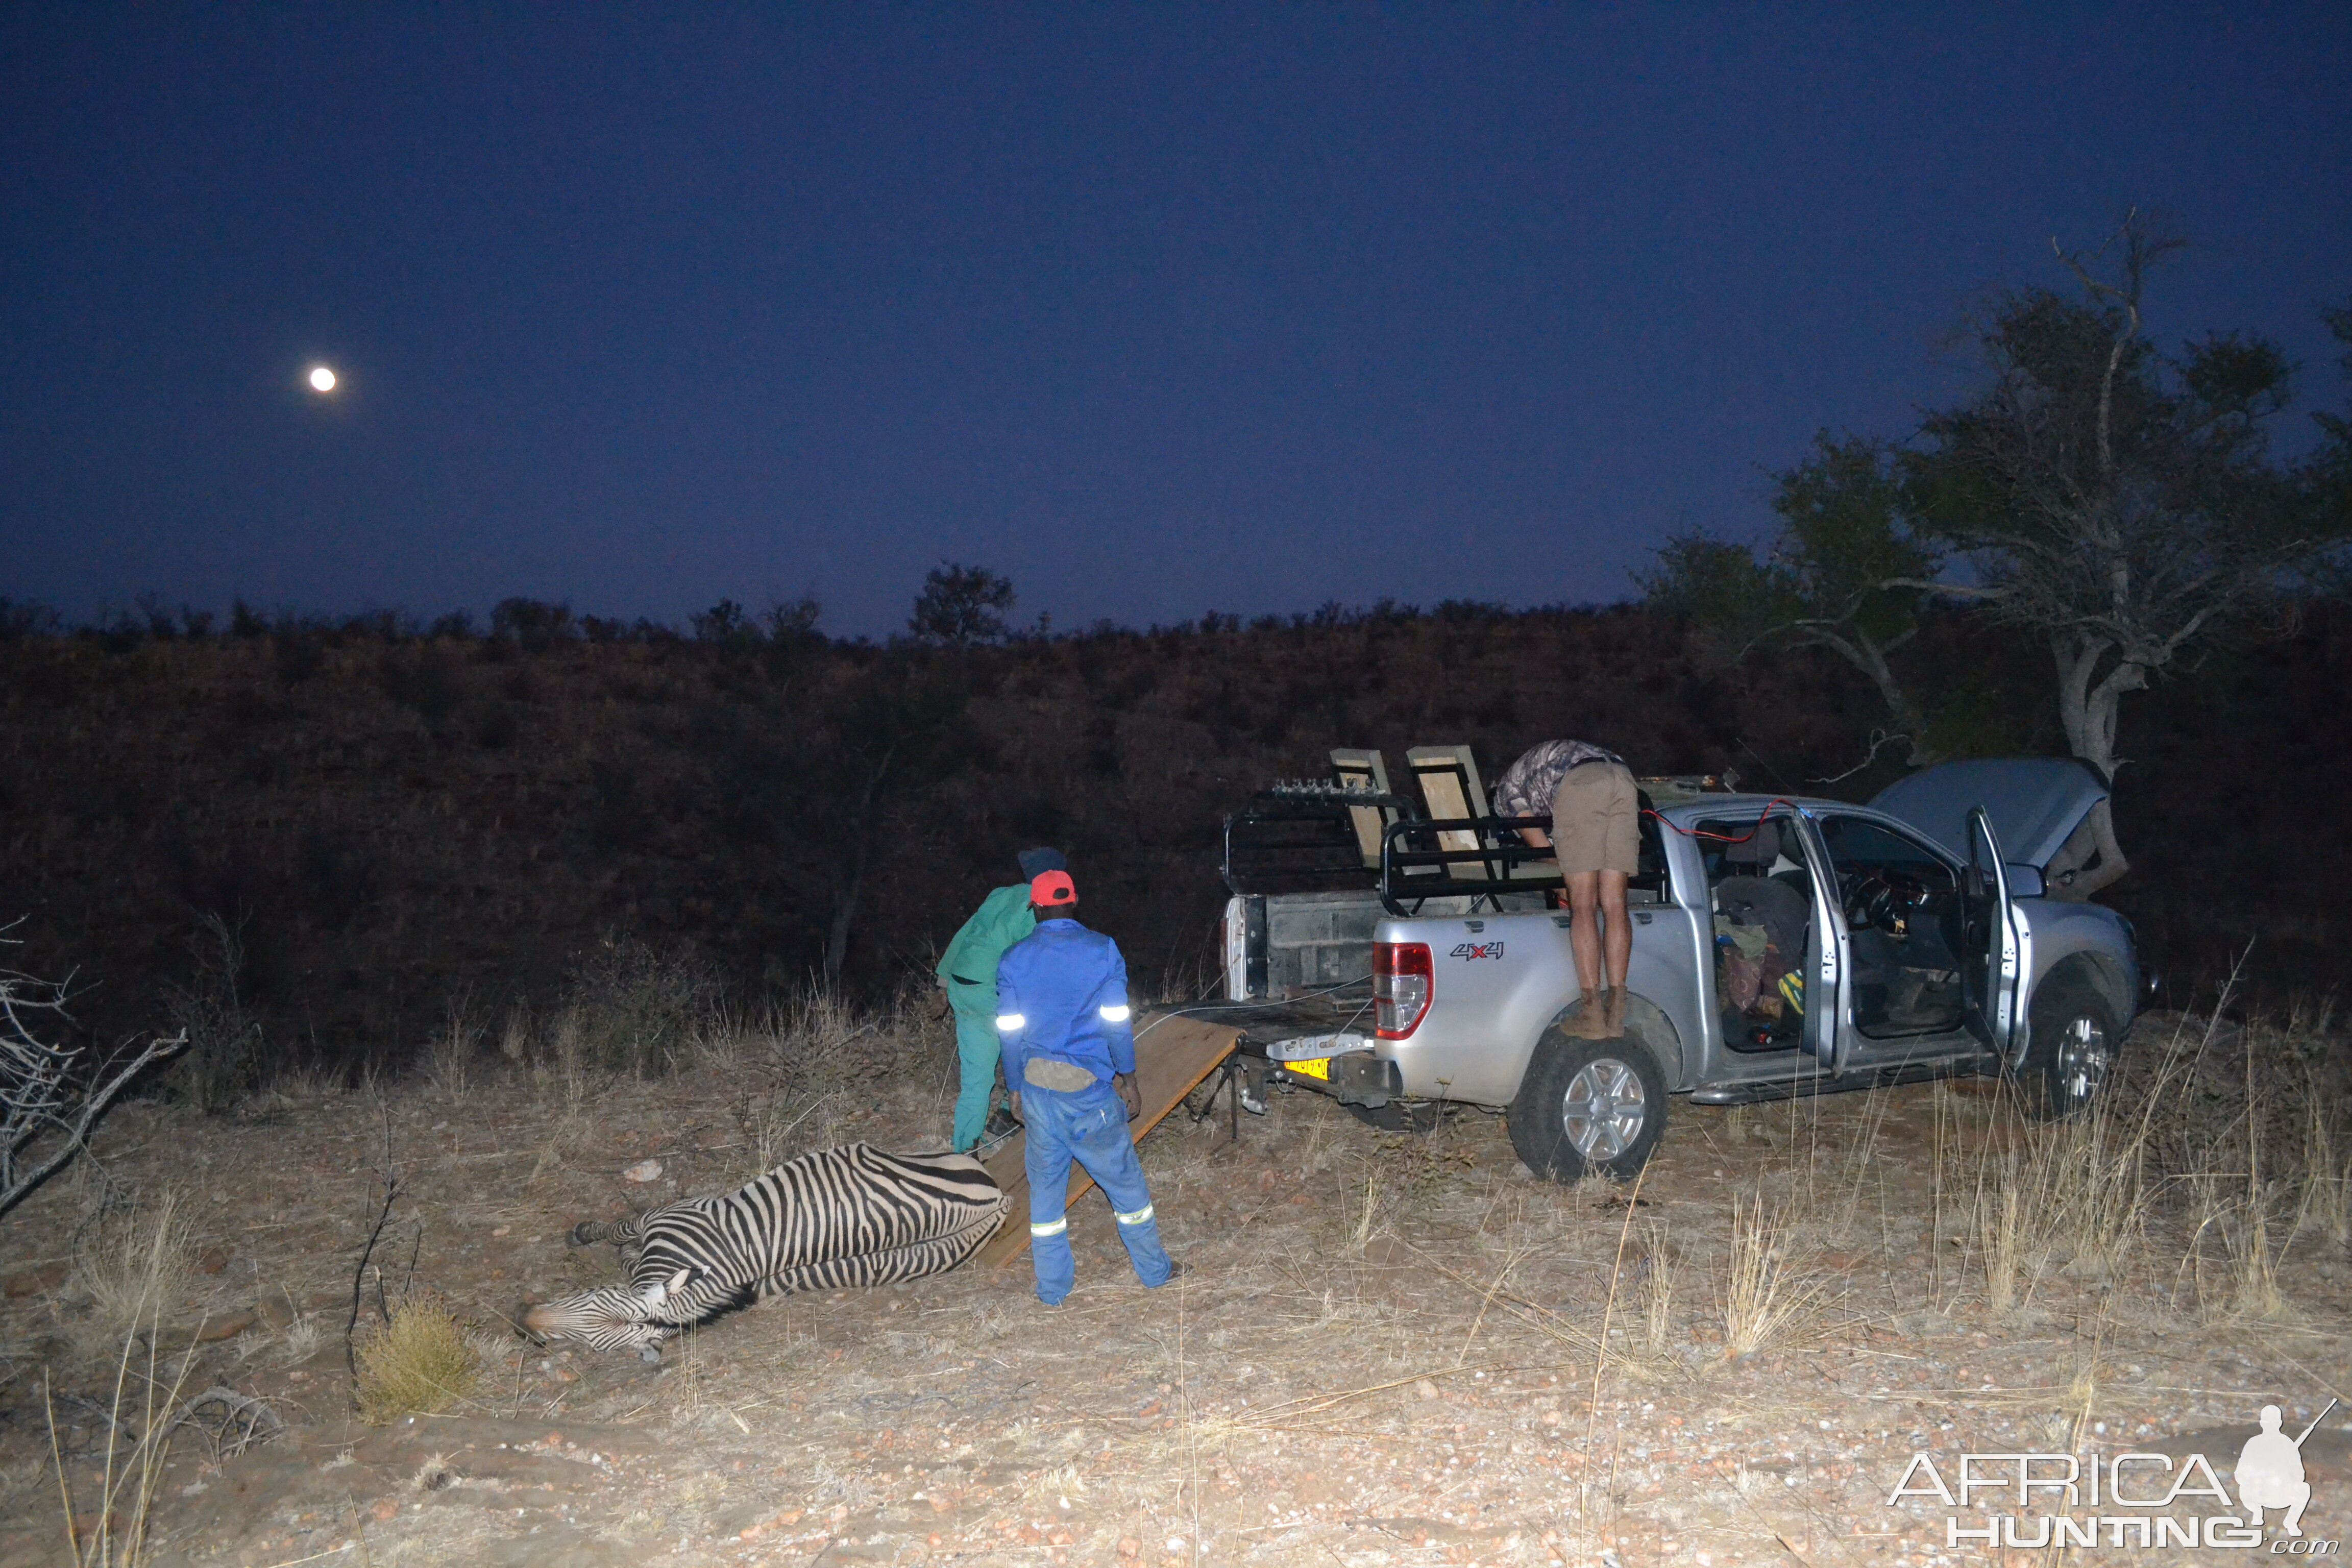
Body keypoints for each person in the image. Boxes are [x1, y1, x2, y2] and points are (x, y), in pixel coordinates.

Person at [993, 869, 1178, 1306]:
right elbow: (1117, 1021)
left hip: (1038, 1089)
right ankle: (1155, 1273)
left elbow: (1009, 1031)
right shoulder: (1102, 950)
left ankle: (1054, 1290)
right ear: (1074, 901)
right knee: (1127, 1188)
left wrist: (1014, 1087)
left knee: (1046, 1196)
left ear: (1036, 908)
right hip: (1088, 1092)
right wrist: (1128, 1076)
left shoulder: (1014, 958)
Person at [1491, 739, 1639, 1039]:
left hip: (1581, 785)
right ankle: (1616, 1016)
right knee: (1614, 902)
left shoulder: (1506, 798)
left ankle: (1592, 1017)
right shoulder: (1530, 774)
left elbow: (1544, 852)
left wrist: (1563, 886)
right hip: (1622, 777)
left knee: (1582, 902)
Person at [937, 848, 1064, 1152]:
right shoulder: (1037, 907)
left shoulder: (999, 895)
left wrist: (942, 985)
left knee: (976, 1080)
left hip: (962, 989)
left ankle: (963, 1152)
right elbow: (1030, 963)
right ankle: (1009, 1116)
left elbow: (964, 935)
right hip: (991, 993)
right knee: (1038, 1049)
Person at [2234, 1404, 2314, 1536]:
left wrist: (2285, 1475)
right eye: (2267, 1421)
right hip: (2259, 1494)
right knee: (2244, 1488)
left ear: (2280, 1423)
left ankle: (2291, 1522)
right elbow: (2240, 1474)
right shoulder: (2253, 1443)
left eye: (2273, 1421)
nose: (2270, 1425)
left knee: (2304, 1488)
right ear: (2261, 1423)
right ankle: (2257, 1512)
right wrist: (2255, 1478)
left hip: (2282, 1493)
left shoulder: (2287, 1443)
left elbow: (2299, 1473)